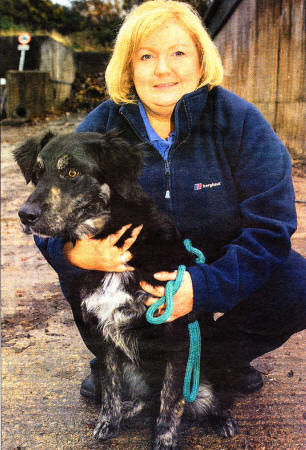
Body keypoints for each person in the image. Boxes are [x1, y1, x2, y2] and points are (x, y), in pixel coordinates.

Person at [35, 0, 306, 397]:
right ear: (128, 68)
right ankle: (125, 361)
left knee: (297, 282)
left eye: (178, 53)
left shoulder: (242, 122)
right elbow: (44, 209)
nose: (163, 69)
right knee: (80, 272)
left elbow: (272, 226)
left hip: (216, 259)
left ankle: (214, 360)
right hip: (135, 268)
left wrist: (205, 285)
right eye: (146, 56)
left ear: (200, 61)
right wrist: (72, 254)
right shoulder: (98, 128)